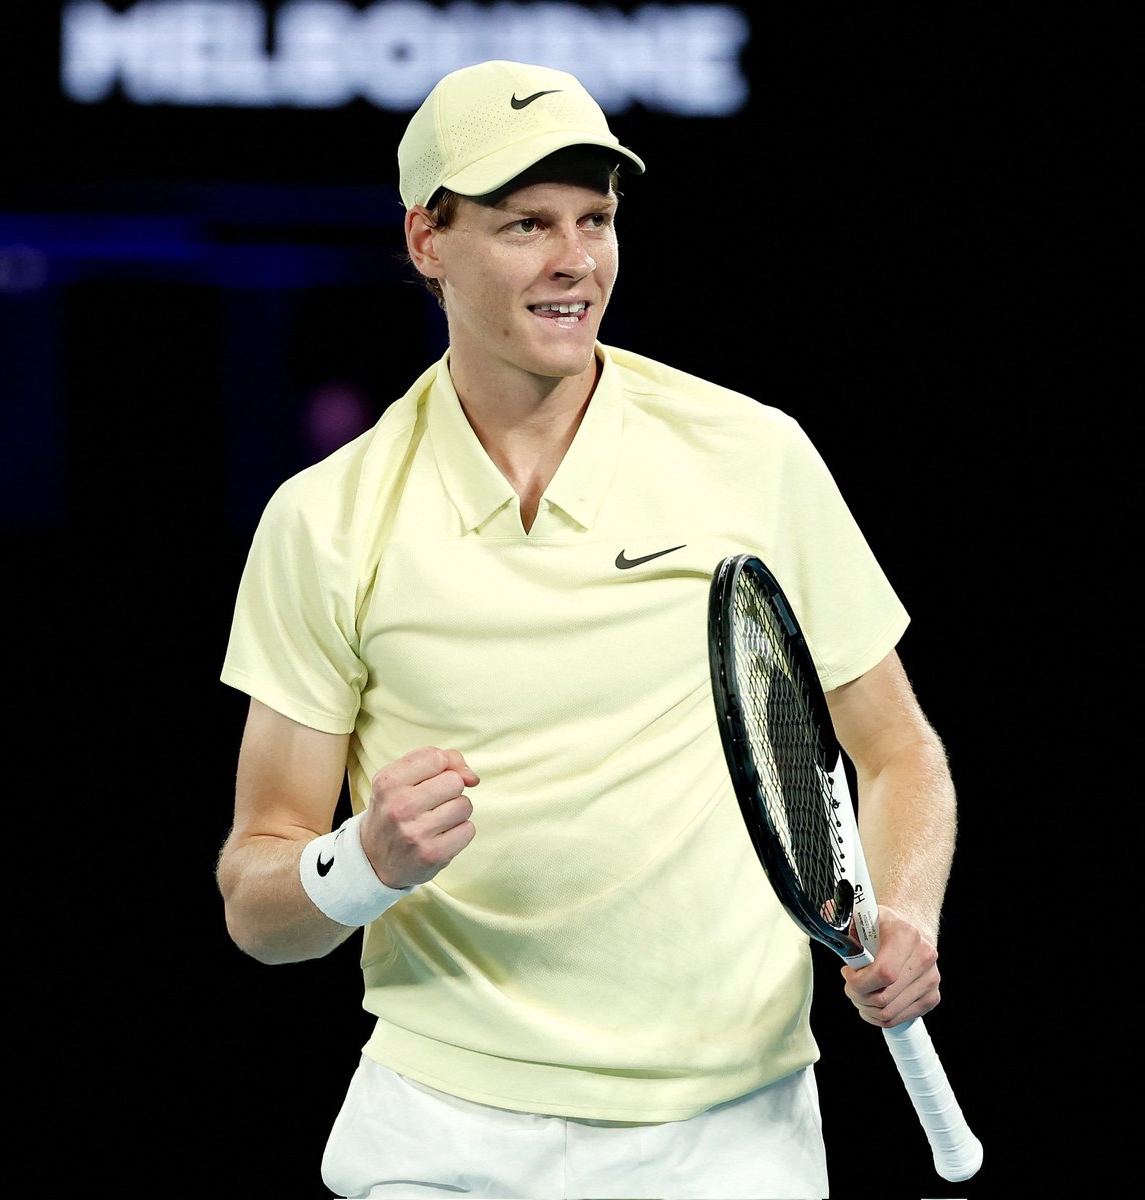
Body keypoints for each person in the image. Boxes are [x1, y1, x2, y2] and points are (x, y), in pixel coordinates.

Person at [215, 59, 959, 1199]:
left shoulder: (754, 454)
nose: (575, 260)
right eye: (525, 225)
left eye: (595, 220)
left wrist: (903, 912)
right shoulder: (323, 520)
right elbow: (259, 905)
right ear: (427, 241)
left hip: (732, 1131)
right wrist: (361, 861)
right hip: (441, 1134)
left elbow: (899, 751)